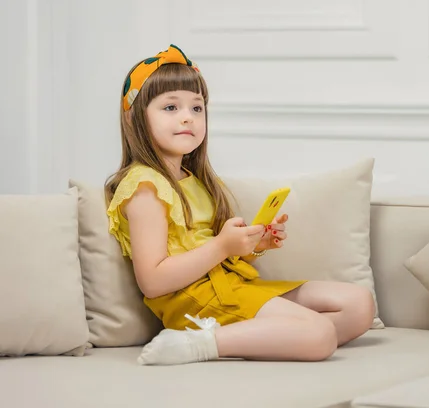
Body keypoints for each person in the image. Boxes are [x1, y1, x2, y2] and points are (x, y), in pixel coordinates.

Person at [104, 44, 375, 365]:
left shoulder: (196, 178)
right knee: (320, 334)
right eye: (170, 108)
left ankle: (272, 339)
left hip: (230, 285)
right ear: (137, 117)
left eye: (197, 108)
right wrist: (222, 246)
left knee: (360, 304)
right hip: (196, 300)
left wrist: (250, 245)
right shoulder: (144, 186)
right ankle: (197, 343)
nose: (187, 118)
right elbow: (153, 281)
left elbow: (210, 247)